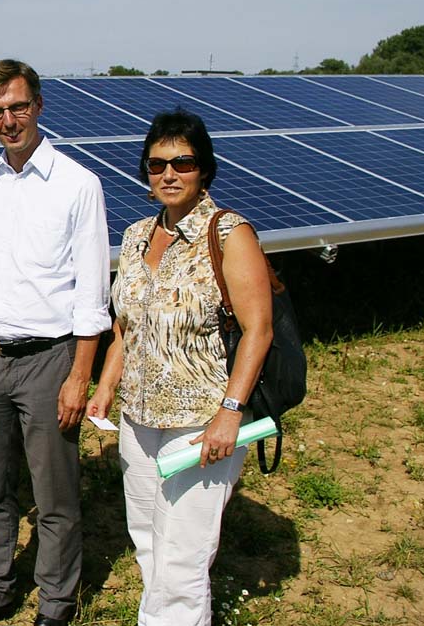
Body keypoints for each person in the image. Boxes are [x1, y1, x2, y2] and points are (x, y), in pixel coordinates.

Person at [86, 108, 272, 625]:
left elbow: (259, 330)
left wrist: (230, 413)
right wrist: (106, 386)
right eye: (157, 164)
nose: (169, 174)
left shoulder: (229, 234)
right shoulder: (138, 233)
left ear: (204, 169)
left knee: (183, 556)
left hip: (200, 422)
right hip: (139, 418)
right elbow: (126, 325)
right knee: (148, 540)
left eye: (183, 163)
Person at [0, 59, 111, 626]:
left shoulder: (78, 184)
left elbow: (93, 292)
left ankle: (57, 603)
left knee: (54, 495)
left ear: (38, 106)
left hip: (48, 360)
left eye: (17, 107)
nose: (8, 120)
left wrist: (78, 375)